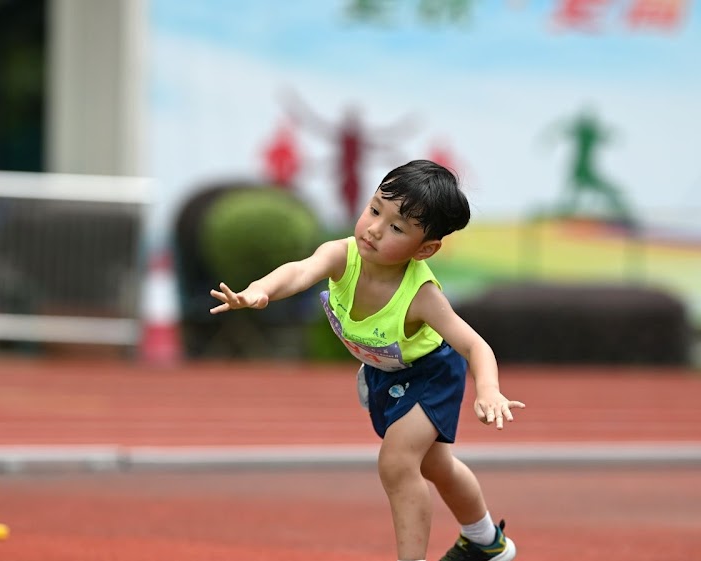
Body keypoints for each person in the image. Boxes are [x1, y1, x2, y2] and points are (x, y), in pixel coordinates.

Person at [210, 160, 524, 561]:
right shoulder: (342, 255)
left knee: (397, 463)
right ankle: (485, 541)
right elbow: (300, 270)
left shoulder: (422, 296)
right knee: (436, 467)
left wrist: (490, 391)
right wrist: (259, 290)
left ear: (425, 248)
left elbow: (475, 345)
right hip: (385, 375)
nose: (374, 229)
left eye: (396, 228)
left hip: (431, 375)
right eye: (375, 209)